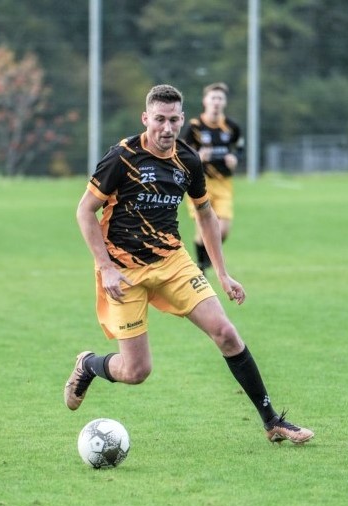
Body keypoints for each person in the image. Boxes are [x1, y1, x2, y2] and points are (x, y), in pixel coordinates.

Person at [64, 84, 314, 445]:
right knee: (136, 371)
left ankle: (272, 421)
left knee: (226, 333)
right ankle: (88, 364)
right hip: (124, 270)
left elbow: (206, 214)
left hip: (173, 262)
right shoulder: (122, 157)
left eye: (173, 120)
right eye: (159, 119)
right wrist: (105, 267)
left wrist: (223, 273)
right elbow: (85, 211)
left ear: (182, 119)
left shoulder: (188, 160)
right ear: (146, 118)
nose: (166, 128)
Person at [184, 82, 243, 274]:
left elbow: (240, 147)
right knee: (205, 229)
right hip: (200, 184)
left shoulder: (231, 127)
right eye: (213, 98)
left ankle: (205, 258)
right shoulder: (195, 126)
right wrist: (197, 157)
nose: (216, 102)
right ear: (205, 101)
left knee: (222, 230)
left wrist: (235, 157)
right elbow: (183, 153)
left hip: (224, 183)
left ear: (224, 102)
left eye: (220, 98)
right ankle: (201, 268)